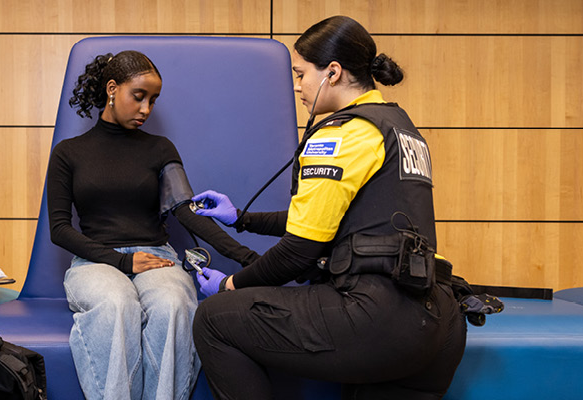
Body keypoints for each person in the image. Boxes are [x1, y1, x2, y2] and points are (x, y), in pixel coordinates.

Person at [189, 16, 467, 399]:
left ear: (332, 73)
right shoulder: (400, 128)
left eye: (301, 74)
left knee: (214, 319)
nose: (298, 86)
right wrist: (241, 218)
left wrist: (229, 284)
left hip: (376, 318)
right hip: (437, 320)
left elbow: (300, 250)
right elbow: (339, 220)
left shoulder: (344, 134)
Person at [48, 50, 261, 400]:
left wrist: (253, 261)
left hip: (157, 255)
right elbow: (59, 229)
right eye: (139, 96)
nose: (147, 109)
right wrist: (121, 261)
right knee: (116, 303)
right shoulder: (69, 153)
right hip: (96, 260)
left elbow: (186, 211)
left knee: (174, 304)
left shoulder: (161, 149)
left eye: (154, 100)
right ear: (112, 89)